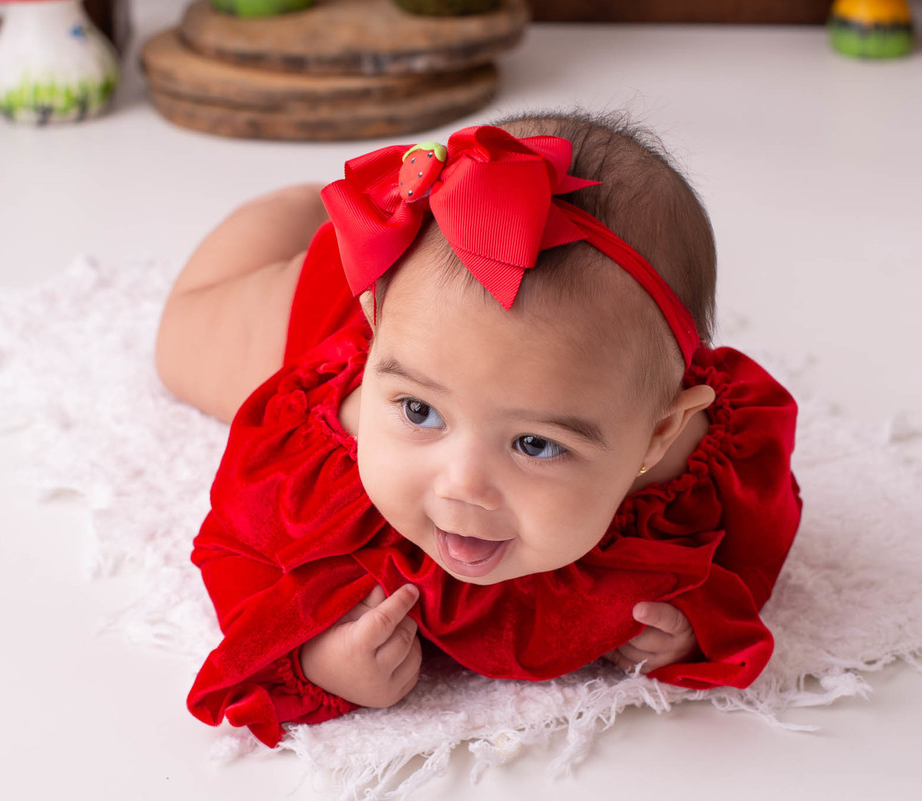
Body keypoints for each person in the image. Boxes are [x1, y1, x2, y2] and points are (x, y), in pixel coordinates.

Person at [155, 111, 801, 747]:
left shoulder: (697, 468)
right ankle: (297, 210)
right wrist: (313, 658)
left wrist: (691, 628)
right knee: (186, 345)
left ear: (658, 434)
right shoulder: (331, 440)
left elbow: (755, 546)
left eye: (534, 444)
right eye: (419, 413)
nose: (462, 485)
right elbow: (236, 546)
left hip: (470, 350)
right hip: (334, 306)